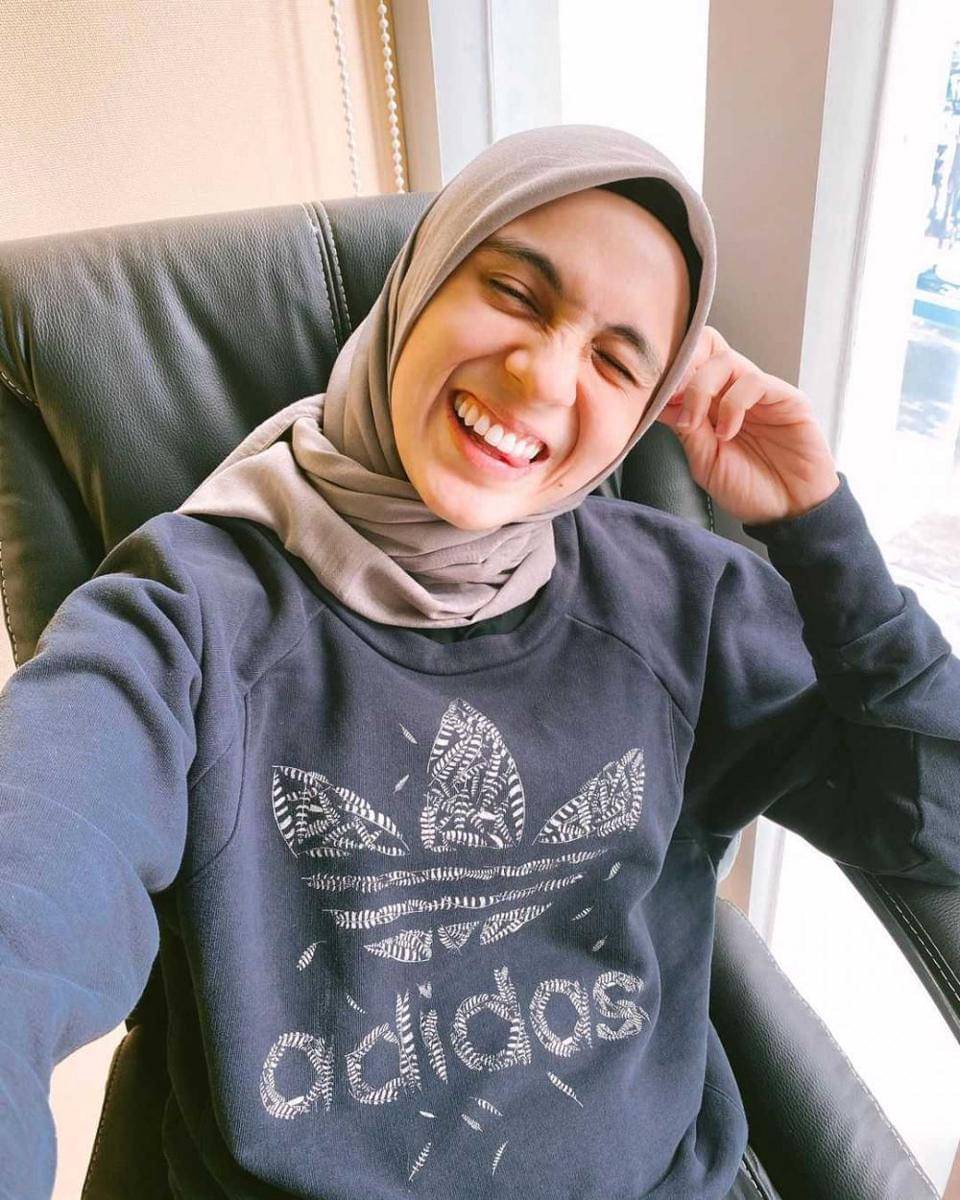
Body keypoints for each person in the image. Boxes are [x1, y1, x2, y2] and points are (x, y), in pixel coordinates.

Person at [1, 124, 957, 1200]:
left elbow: (938, 813)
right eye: (514, 293)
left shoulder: (681, 603)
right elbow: (29, 889)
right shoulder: (185, 613)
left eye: (615, 361)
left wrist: (818, 528)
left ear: (640, 420)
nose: (543, 377)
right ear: (417, 287)